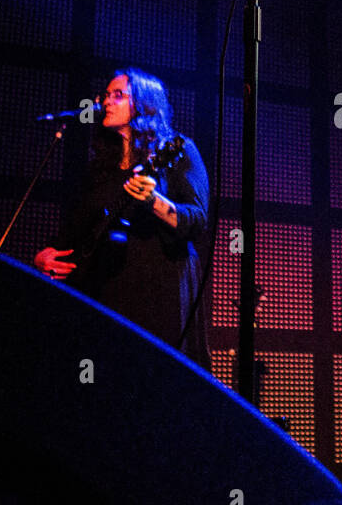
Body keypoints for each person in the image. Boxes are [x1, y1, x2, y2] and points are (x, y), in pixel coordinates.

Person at [34, 67, 211, 369]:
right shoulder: (100, 167)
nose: (106, 101)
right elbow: (78, 229)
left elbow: (197, 219)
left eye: (118, 95)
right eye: (105, 95)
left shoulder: (177, 150)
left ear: (143, 103)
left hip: (158, 285)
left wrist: (154, 201)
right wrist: (44, 256)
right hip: (105, 287)